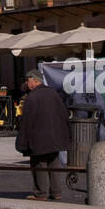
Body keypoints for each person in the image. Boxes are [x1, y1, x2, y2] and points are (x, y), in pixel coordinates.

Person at [15, 69, 71, 201]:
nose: (27, 84)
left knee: (39, 164)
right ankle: (56, 192)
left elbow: (27, 121)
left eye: (28, 81)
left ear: (34, 81)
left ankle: (41, 193)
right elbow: (63, 114)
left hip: (39, 138)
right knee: (53, 163)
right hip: (55, 136)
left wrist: (23, 141)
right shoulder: (53, 93)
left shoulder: (32, 97)